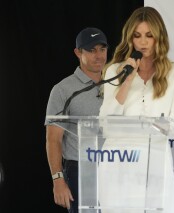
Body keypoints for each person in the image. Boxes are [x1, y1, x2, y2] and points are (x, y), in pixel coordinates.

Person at [99, 6, 174, 213]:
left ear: (160, 38)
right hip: (117, 161)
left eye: (149, 36)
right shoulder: (115, 70)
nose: (142, 42)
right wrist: (126, 81)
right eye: (137, 36)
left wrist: (148, 127)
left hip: (155, 162)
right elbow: (105, 123)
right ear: (129, 38)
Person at [45, 27, 108, 213]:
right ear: (78, 52)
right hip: (80, 170)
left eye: (102, 49)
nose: (98, 55)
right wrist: (58, 180)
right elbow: (53, 139)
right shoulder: (62, 89)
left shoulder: (116, 83)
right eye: (91, 50)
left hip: (116, 165)